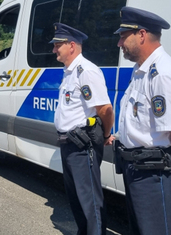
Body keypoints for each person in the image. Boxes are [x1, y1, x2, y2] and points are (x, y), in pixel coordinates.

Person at [114, 6, 171, 235]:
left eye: (123, 36)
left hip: (156, 174)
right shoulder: (141, 69)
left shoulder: (164, 73)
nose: (119, 44)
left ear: (141, 34)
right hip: (137, 171)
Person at [52, 23, 114, 235]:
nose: (54, 50)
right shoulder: (69, 72)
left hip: (82, 145)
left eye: (57, 45)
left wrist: (105, 135)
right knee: (76, 199)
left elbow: (105, 109)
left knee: (90, 202)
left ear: (71, 45)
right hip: (68, 144)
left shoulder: (86, 71)